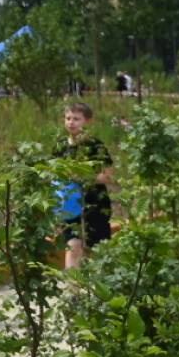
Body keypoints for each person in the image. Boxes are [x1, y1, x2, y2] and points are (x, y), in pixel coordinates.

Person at [55, 103, 114, 269]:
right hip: (70, 206)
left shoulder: (95, 146)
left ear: (87, 121)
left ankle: (99, 290)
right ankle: (73, 292)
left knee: (97, 250)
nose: (71, 122)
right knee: (73, 246)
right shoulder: (60, 146)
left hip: (95, 204)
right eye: (68, 118)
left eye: (76, 119)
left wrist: (83, 177)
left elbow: (107, 176)